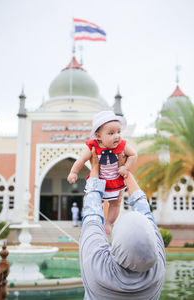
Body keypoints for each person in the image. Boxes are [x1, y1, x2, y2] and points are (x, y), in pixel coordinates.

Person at [80, 149, 166, 300]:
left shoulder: (97, 269)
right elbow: (147, 215)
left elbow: (92, 216)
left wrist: (95, 168)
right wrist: (125, 173)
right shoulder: (157, 271)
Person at [67, 111, 137, 234]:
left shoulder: (122, 145)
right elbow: (81, 160)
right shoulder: (93, 147)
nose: (117, 136)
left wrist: (126, 167)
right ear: (98, 136)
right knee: (94, 202)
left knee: (116, 204)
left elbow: (133, 155)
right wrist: (73, 172)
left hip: (116, 181)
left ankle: (108, 223)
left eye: (118, 132)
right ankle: (94, 223)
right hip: (99, 182)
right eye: (111, 133)